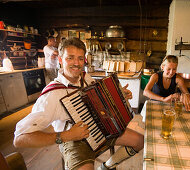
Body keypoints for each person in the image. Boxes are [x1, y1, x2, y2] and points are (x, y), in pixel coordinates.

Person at [13, 38, 144, 170]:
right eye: (70, 58)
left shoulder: (86, 78)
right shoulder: (52, 94)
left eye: (80, 58)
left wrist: (120, 95)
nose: (76, 63)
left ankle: (106, 167)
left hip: (101, 128)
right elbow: (19, 139)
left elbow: (100, 101)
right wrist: (66, 136)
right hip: (73, 140)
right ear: (60, 60)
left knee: (139, 141)